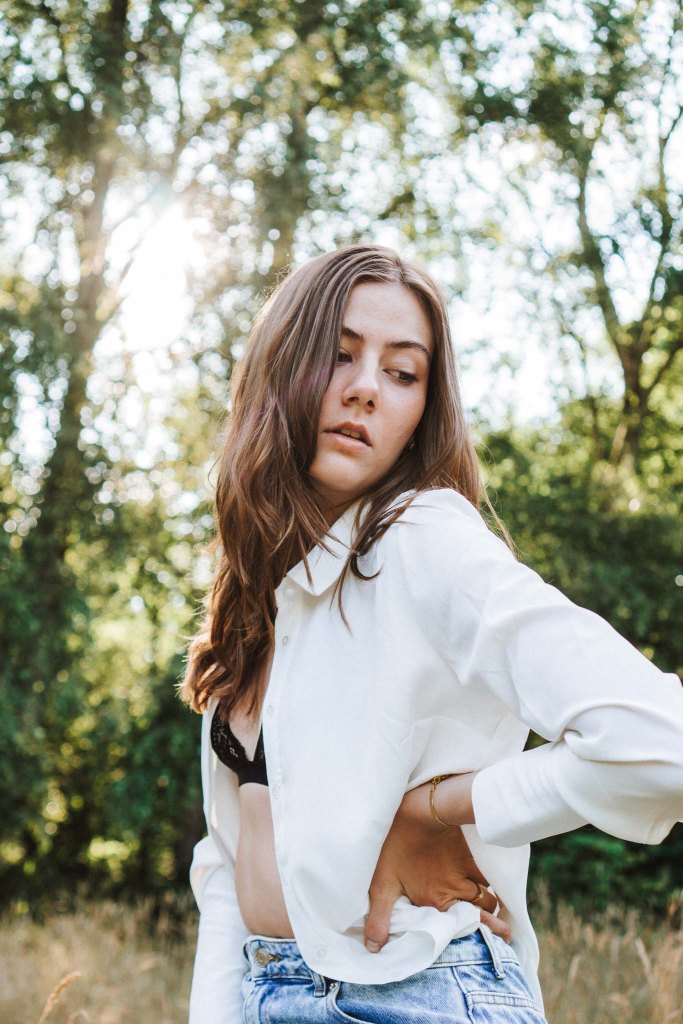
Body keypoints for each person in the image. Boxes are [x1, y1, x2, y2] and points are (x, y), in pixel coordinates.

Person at [180, 243, 683, 1024]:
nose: (365, 388)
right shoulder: (259, 596)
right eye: (339, 354)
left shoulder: (420, 539)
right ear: (279, 367)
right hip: (270, 992)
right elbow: (226, 865)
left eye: (402, 372)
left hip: (417, 992)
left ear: (422, 409)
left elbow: (661, 744)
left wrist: (434, 810)